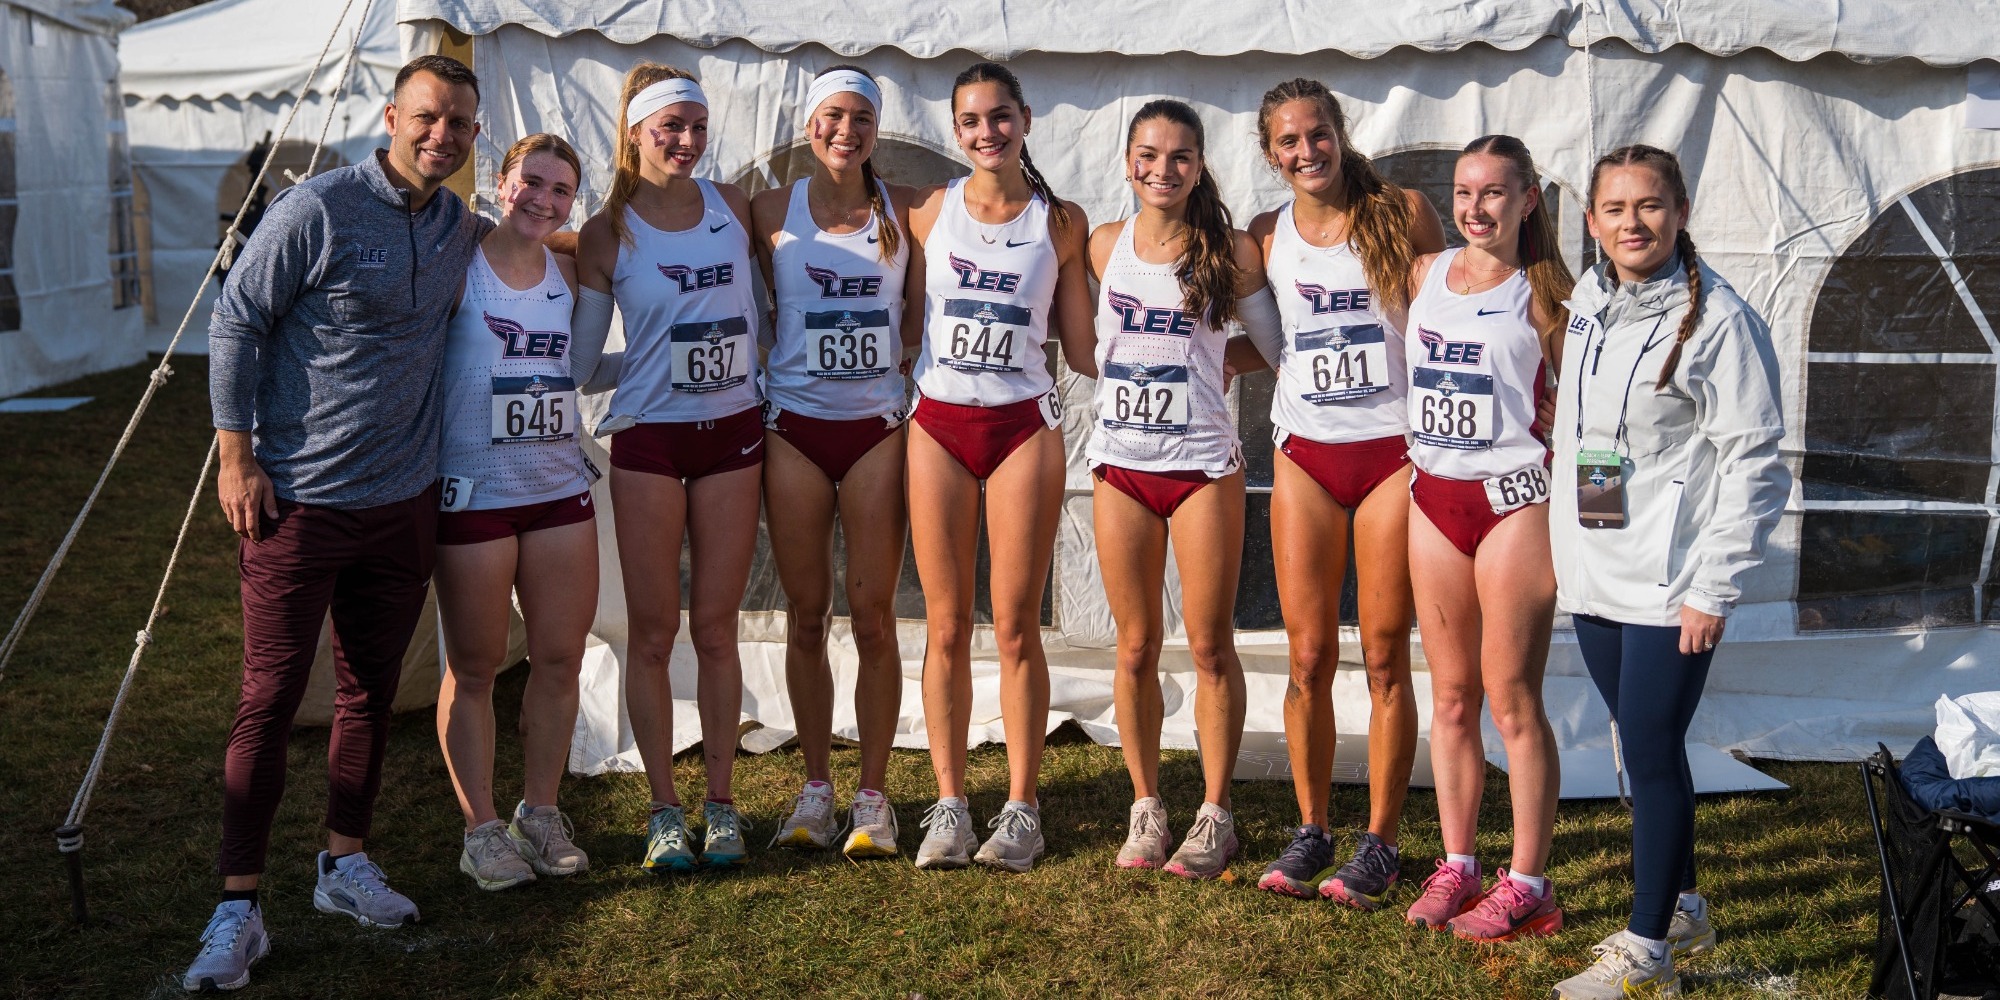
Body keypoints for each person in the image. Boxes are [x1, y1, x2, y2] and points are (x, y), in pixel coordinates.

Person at [186, 55, 490, 992]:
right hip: (297, 502)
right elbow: (236, 319)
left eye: (461, 127)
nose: (443, 137)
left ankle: (343, 864)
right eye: (429, 118)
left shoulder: (457, 229)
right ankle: (238, 902)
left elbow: (542, 242)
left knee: (367, 695)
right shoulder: (316, 208)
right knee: (269, 700)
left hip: (402, 506)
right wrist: (235, 456)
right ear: (392, 116)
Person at [1550, 145, 1787, 998]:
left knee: (1648, 752)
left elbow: (1758, 461)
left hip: (1669, 580)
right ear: (1592, 222)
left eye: (1649, 206)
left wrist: (1712, 588)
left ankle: (1647, 952)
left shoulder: (1719, 319)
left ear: (1681, 211)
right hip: (1595, 567)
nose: (1632, 223)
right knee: (1641, 744)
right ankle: (1684, 902)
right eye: (1614, 209)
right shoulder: (1588, 299)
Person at [1229, 78, 1447, 908]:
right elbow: (1274, 343)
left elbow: (1445, 319)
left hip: (1391, 452)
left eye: (1316, 134)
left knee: (1386, 653)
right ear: (1269, 152)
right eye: (1287, 141)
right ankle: (1311, 826)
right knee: (1309, 655)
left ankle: (1381, 842)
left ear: (1338, 132)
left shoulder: (1402, 210)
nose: (1305, 151)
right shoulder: (1264, 235)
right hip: (1305, 457)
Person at [903, 61, 1095, 873]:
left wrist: (1180, 331)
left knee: (1016, 625)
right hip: (938, 423)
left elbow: (1083, 346)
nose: (988, 132)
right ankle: (949, 803)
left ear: (1025, 118)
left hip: (1023, 427)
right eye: (973, 120)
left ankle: (1022, 807)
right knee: (946, 624)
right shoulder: (927, 212)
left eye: (1001, 117)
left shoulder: (1062, 222)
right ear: (957, 130)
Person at [571, 63, 761, 872]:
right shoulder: (606, 231)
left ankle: (721, 806)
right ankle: (663, 809)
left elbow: (767, 313)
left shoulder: (734, 207)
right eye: (668, 128)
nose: (685, 141)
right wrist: (651, 367)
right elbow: (583, 366)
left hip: (734, 436)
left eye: (695, 126)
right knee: (653, 633)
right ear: (636, 132)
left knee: (717, 629)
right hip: (650, 440)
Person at [1400, 135, 1573, 942]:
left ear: (1528, 199)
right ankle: (1458, 863)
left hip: (1513, 503)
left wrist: (1600, 525)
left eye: (1495, 193)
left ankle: (1528, 881)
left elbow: (1594, 424)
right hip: (1433, 497)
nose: (1476, 207)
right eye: (1464, 192)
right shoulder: (1422, 271)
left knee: (1512, 700)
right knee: (1451, 697)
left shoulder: (1551, 296)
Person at [1087, 99, 1263, 880]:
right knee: (1133, 646)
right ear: (1129, 159)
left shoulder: (1227, 251)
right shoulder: (1100, 246)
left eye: (1180, 156)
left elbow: (1278, 345)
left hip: (1200, 468)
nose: (1162, 169)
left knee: (1208, 646)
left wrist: (1222, 361)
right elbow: (1083, 342)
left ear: (1200, 164)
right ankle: (1147, 804)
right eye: (1148, 154)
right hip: (1121, 464)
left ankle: (1215, 813)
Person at [752, 66, 912, 859]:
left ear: (876, 129)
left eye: (860, 118)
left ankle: (874, 795)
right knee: (807, 614)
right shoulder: (766, 210)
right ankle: (817, 785)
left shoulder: (908, 209)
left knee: (874, 612)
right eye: (831, 116)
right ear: (808, 124)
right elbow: (650, 230)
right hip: (794, 430)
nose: (844, 130)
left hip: (877, 429)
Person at [431, 133, 595, 891]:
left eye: (561, 189)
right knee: (474, 667)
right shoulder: (456, 265)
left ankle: (541, 810)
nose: (544, 198)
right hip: (474, 495)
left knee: (560, 659)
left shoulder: (569, 269)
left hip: (559, 490)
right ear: (500, 183)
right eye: (532, 181)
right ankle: (481, 828)